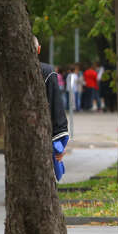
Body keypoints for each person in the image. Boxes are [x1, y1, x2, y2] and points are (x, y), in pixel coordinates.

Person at [34, 37, 70, 181]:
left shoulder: (9, 72)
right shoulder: (46, 71)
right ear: (39, 49)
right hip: (42, 133)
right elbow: (56, 106)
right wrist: (60, 140)